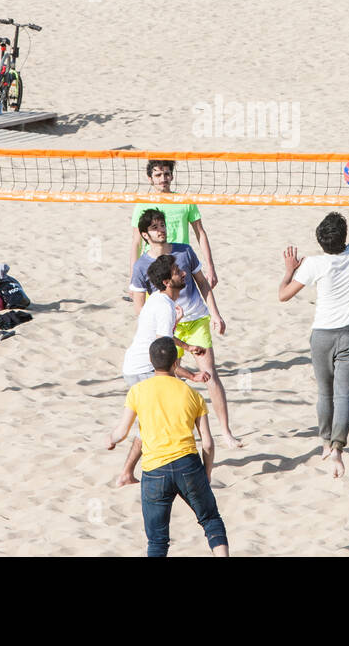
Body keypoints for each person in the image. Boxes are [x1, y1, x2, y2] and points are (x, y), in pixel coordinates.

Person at [279, 179, 349, 478]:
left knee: (324, 393)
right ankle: (338, 450)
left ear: (321, 242)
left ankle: (324, 443)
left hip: (322, 335)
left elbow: (283, 295)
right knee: (343, 396)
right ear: (344, 237)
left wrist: (289, 270)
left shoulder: (313, 264)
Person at [107, 335, 228, 558]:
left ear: (152, 363)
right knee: (211, 520)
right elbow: (208, 443)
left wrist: (111, 440)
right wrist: (207, 473)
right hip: (188, 466)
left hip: (155, 471)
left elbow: (122, 431)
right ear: (176, 364)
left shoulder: (138, 391)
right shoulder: (192, 394)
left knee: (157, 541)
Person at [129, 209, 242, 449]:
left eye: (162, 225)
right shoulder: (141, 266)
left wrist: (215, 314)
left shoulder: (184, 250)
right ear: (145, 235)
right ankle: (184, 434)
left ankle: (225, 432)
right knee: (172, 381)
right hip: (168, 327)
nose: (161, 230)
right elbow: (140, 308)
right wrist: (160, 326)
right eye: (155, 227)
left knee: (210, 373)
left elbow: (202, 283)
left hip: (196, 319)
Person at [114, 253, 211, 486]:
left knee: (149, 423)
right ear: (167, 281)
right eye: (178, 271)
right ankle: (131, 470)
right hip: (143, 368)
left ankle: (127, 473)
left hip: (138, 366)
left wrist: (187, 346)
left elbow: (163, 338)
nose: (184, 273)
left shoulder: (159, 300)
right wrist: (192, 375)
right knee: (154, 421)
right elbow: (164, 353)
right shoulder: (165, 307)